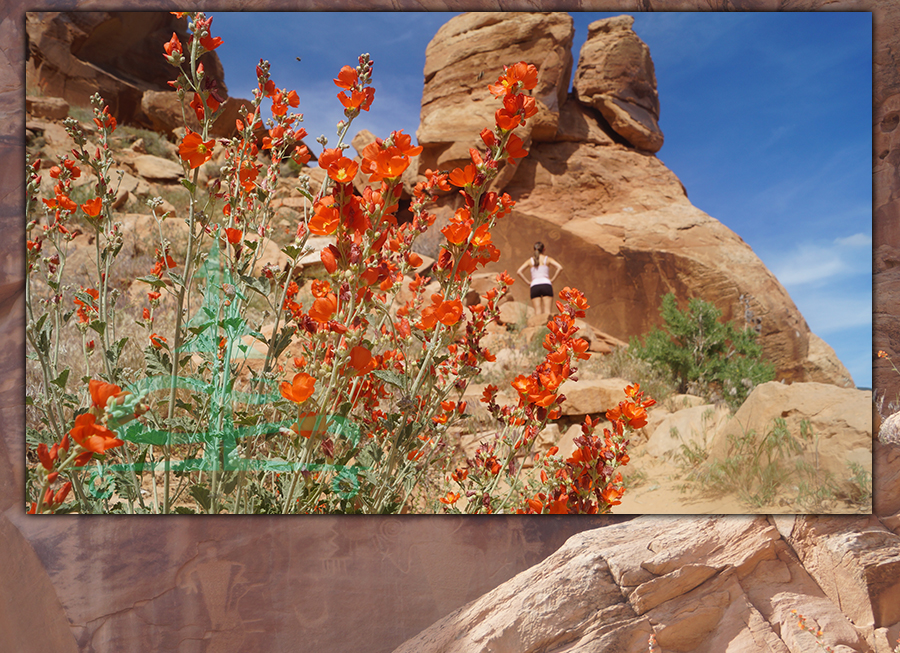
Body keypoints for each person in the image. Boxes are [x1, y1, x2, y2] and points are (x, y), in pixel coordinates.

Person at [516, 242, 562, 315]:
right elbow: (560, 267)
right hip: (546, 284)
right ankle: (547, 326)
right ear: (544, 249)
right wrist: (553, 279)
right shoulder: (547, 259)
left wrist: (528, 282)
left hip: (535, 285)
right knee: (547, 312)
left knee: (537, 312)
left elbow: (519, 271)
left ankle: (538, 326)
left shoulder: (530, 261)